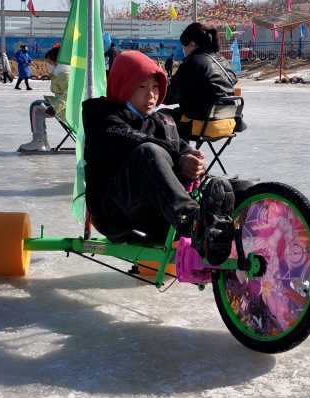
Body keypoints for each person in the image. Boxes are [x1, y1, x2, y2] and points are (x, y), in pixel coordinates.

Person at [83, 50, 242, 265]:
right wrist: (178, 158)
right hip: (116, 211)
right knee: (149, 152)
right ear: (124, 85)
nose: (151, 96)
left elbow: (181, 148)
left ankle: (254, 226)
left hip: (157, 214)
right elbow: (129, 138)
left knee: (231, 186)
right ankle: (193, 222)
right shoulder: (101, 115)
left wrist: (193, 160)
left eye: (155, 88)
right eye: (142, 87)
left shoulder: (162, 120)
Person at [164, 22, 242, 140]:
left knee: (158, 118)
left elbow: (170, 97)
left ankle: (179, 155)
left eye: (183, 46)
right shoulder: (222, 61)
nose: (183, 50)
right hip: (227, 122)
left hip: (202, 124)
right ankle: (186, 153)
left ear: (192, 44)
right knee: (179, 113)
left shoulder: (192, 63)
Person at [17, 45, 70, 153]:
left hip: (67, 110)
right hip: (64, 108)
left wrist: (55, 107)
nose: (48, 65)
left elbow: (67, 95)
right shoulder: (60, 73)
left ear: (56, 61)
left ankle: (39, 141)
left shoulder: (65, 75)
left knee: (36, 108)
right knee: (37, 106)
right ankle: (41, 141)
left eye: (49, 62)